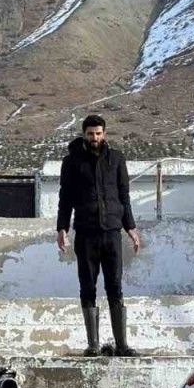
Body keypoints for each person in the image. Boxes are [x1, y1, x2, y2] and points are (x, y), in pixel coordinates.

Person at [56, 115, 142, 357]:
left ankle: (122, 345)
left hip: (112, 233)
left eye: (98, 133)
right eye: (90, 133)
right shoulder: (72, 162)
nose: (94, 138)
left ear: (104, 133)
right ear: (84, 134)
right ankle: (93, 345)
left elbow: (124, 196)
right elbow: (65, 198)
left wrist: (131, 228)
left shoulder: (116, 159)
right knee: (88, 287)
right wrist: (61, 228)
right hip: (85, 233)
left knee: (115, 286)